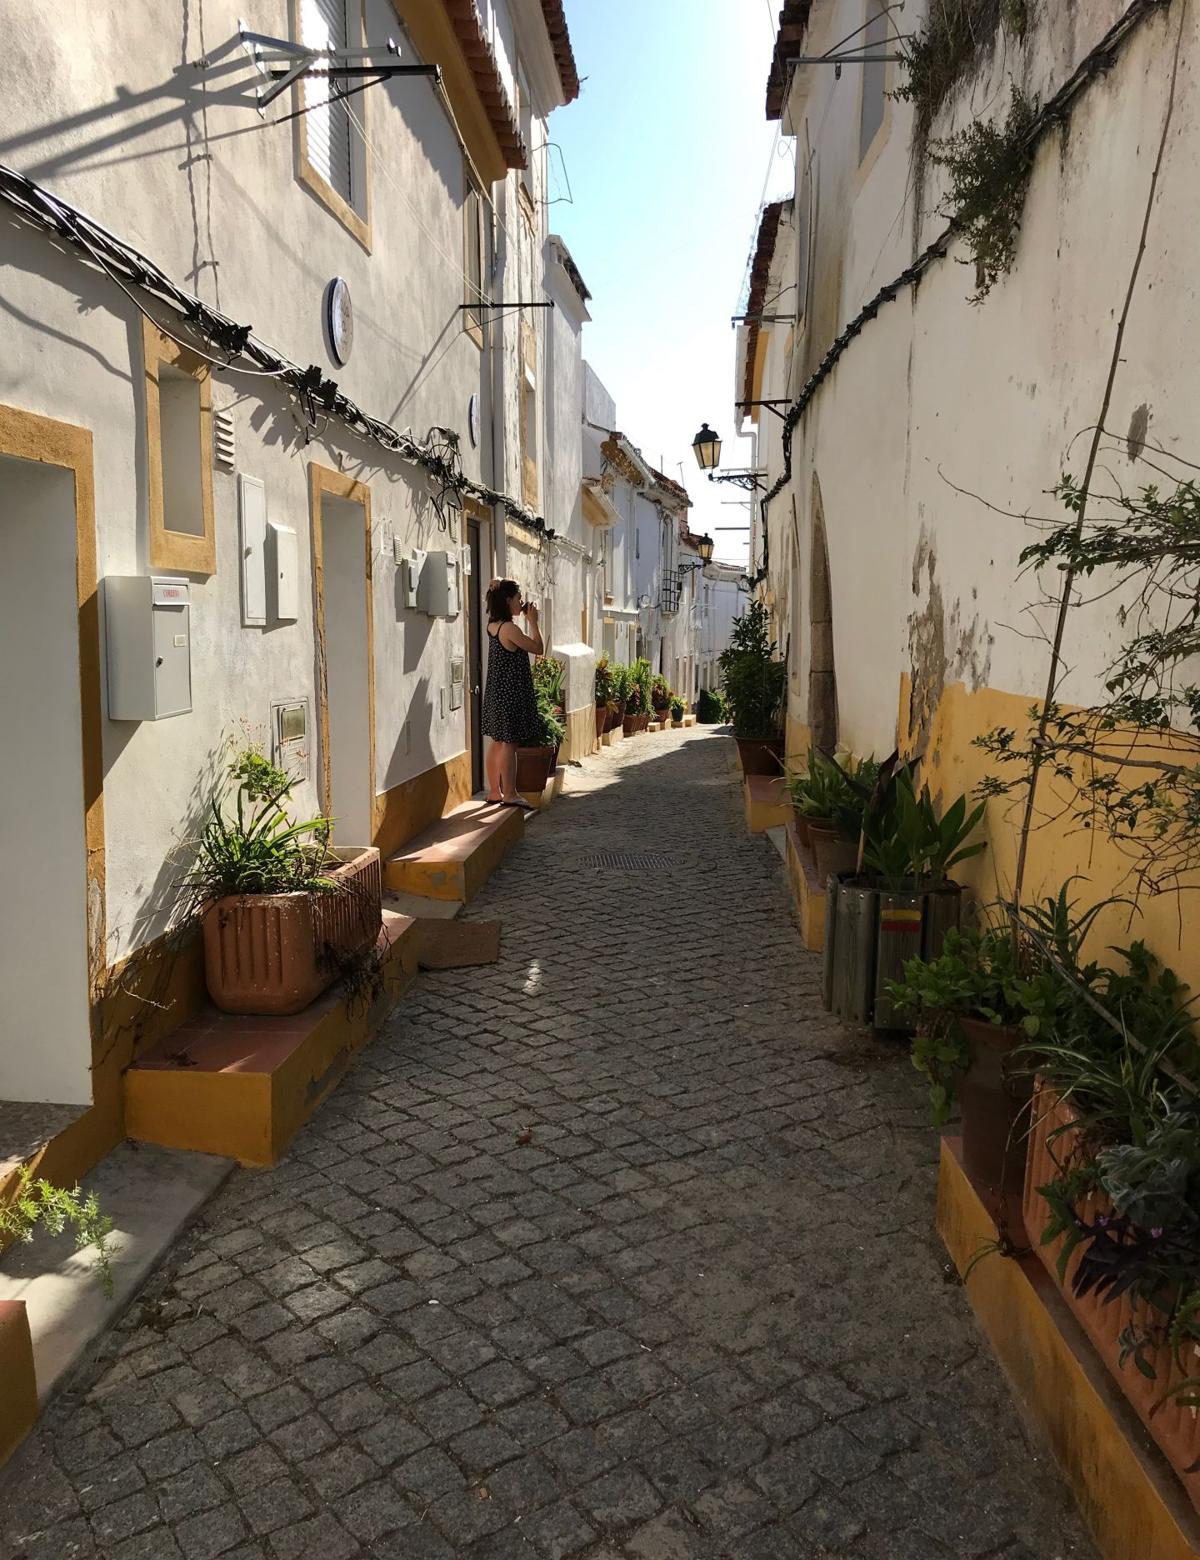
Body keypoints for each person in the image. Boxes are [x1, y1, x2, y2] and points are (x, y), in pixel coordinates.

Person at [481, 578, 544, 806]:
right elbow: (538, 648)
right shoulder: (510, 628)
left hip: (497, 691)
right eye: (518, 598)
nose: (521, 602)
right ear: (508, 601)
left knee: (497, 742)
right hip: (510, 693)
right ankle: (509, 793)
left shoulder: (493, 625)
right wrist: (534, 622)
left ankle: (494, 792)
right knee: (509, 743)